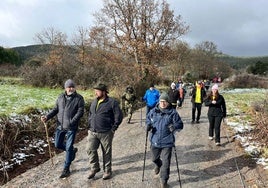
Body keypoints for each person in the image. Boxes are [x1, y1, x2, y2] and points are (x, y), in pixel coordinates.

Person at [41, 79, 85, 178]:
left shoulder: (79, 98)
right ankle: (72, 151)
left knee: (68, 147)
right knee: (58, 144)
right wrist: (47, 117)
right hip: (60, 126)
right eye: (69, 87)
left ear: (74, 88)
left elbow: (80, 112)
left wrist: (72, 122)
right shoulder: (60, 97)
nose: (71, 88)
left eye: (72, 86)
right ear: (65, 88)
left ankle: (66, 168)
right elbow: (55, 109)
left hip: (71, 127)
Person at [146, 92, 184, 188]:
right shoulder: (153, 112)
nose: (163, 103)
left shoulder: (173, 113)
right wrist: (148, 126)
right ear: (159, 102)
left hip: (167, 142)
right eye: (161, 101)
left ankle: (164, 181)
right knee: (154, 159)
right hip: (155, 140)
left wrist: (174, 126)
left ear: (168, 102)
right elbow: (147, 120)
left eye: (165, 102)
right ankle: (158, 164)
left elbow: (180, 125)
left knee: (166, 163)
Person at [87, 83, 123, 180]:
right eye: (95, 90)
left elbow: (119, 116)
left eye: (97, 91)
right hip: (92, 131)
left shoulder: (112, 102)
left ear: (103, 92)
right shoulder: (94, 101)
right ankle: (94, 168)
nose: (95, 92)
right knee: (90, 149)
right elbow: (90, 114)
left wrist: (113, 128)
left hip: (106, 132)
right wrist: (89, 125)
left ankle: (107, 171)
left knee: (106, 152)